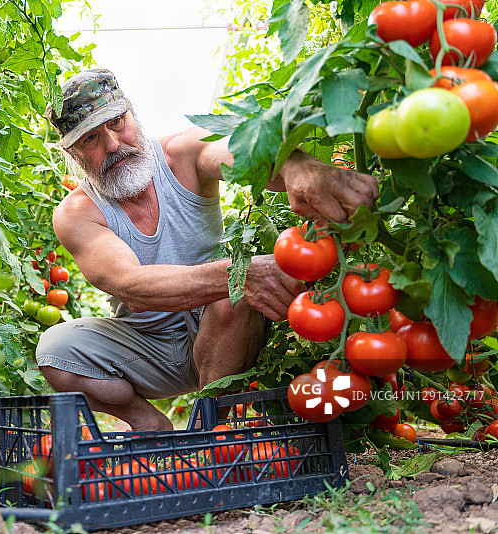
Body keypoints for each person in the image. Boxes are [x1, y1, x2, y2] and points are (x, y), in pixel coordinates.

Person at [37, 68, 379, 431]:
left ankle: (207, 429)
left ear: (132, 115)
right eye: (91, 138)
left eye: (118, 123)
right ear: (73, 154)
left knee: (233, 293)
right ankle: (149, 424)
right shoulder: (76, 214)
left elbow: (239, 153)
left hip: (220, 330)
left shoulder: (182, 153)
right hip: (144, 347)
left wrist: (298, 168)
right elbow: (131, 285)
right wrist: (239, 273)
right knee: (55, 349)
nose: (113, 144)